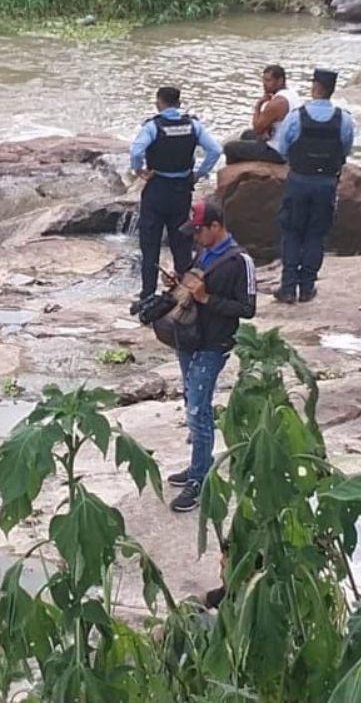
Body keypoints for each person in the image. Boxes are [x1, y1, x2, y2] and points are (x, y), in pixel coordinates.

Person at [166, 200, 256, 513]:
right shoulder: (204, 252)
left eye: (199, 231)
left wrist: (208, 299)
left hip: (214, 343)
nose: (195, 237)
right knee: (190, 399)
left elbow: (247, 309)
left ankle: (200, 478)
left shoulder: (240, 261)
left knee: (198, 409)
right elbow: (197, 281)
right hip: (189, 337)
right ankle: (196, 466)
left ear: (216, 227)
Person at [269, 66, 356, 304]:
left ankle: (287, 288)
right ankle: (307, 288)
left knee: (291, 231)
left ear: (315, 87)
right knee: (316, 234)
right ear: (332, 89)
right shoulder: (344, 119)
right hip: (327, 182)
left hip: (298, 180)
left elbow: (282, 148)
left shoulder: (296, 116)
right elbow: (345, 149)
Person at [129, 86, 222, 302]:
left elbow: (136, 151)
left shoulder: (153, 126)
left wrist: (139, 170)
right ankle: (185, 292)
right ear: (179, 103)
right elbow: (215, 150)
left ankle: (147, 295)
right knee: (181, 242)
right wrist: (199, 173)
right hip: (181, 189)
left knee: (150, 243)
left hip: (157, 188)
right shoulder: (192, 125)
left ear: (159, 102)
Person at [222, 65, 302, 165]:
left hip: (277, 152)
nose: (264, 84)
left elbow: (257, 129)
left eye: (268, 80)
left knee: (229, 148)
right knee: (246, 134)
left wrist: (259, 104)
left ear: (280, 80)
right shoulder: (292, 94)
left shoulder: (277, 102)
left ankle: (234, 175)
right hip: (289, 146)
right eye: (263, 80)